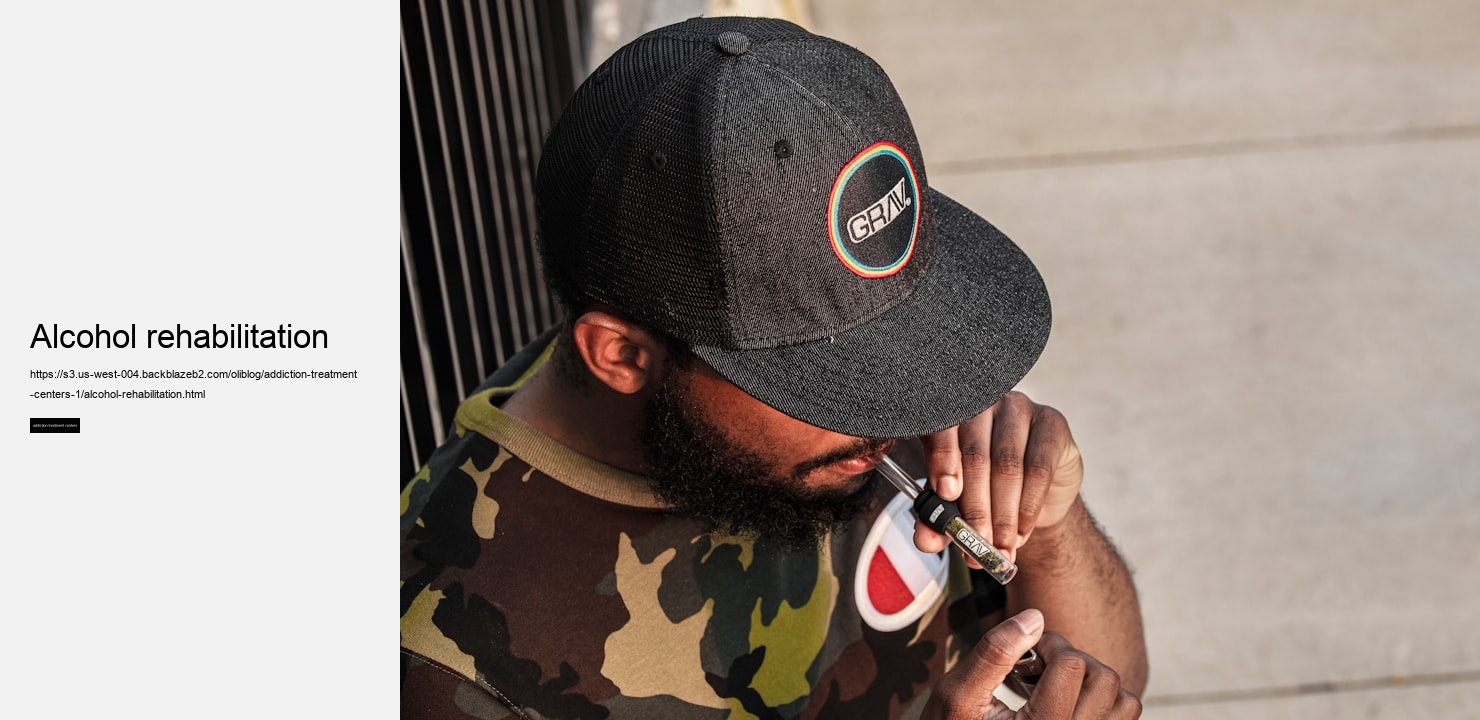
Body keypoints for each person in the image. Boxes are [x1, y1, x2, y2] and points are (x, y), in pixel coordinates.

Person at [401, 16, 1147, 720]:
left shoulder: (854, 432)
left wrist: (1050, 527)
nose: (896, 409)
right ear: (622, 355)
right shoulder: (450, 668)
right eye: (820, 375)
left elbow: (1119, 680)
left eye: (898, 337)